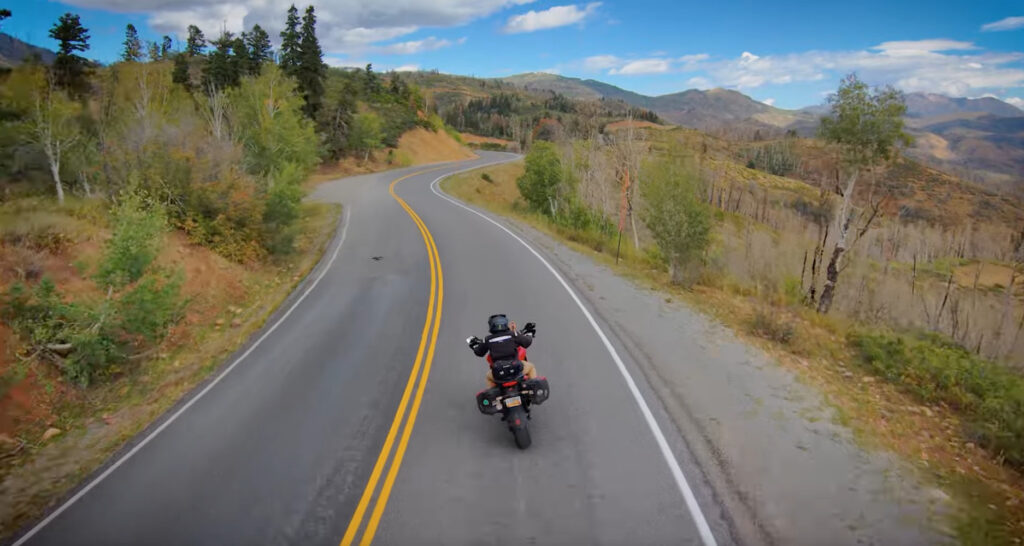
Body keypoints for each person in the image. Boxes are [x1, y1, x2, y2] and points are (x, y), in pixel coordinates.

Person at [468, 314, 539, 388]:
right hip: (516, 370)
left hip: (499, 374)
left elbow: (479, 352)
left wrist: (474, 347)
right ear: (505, 324)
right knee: (531, 367)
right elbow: (526, 342)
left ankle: (493, 395)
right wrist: (529, 335)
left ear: (491, 326)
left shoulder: (487, 339)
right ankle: (533, 387)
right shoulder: (512, 334)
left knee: (488, 377)